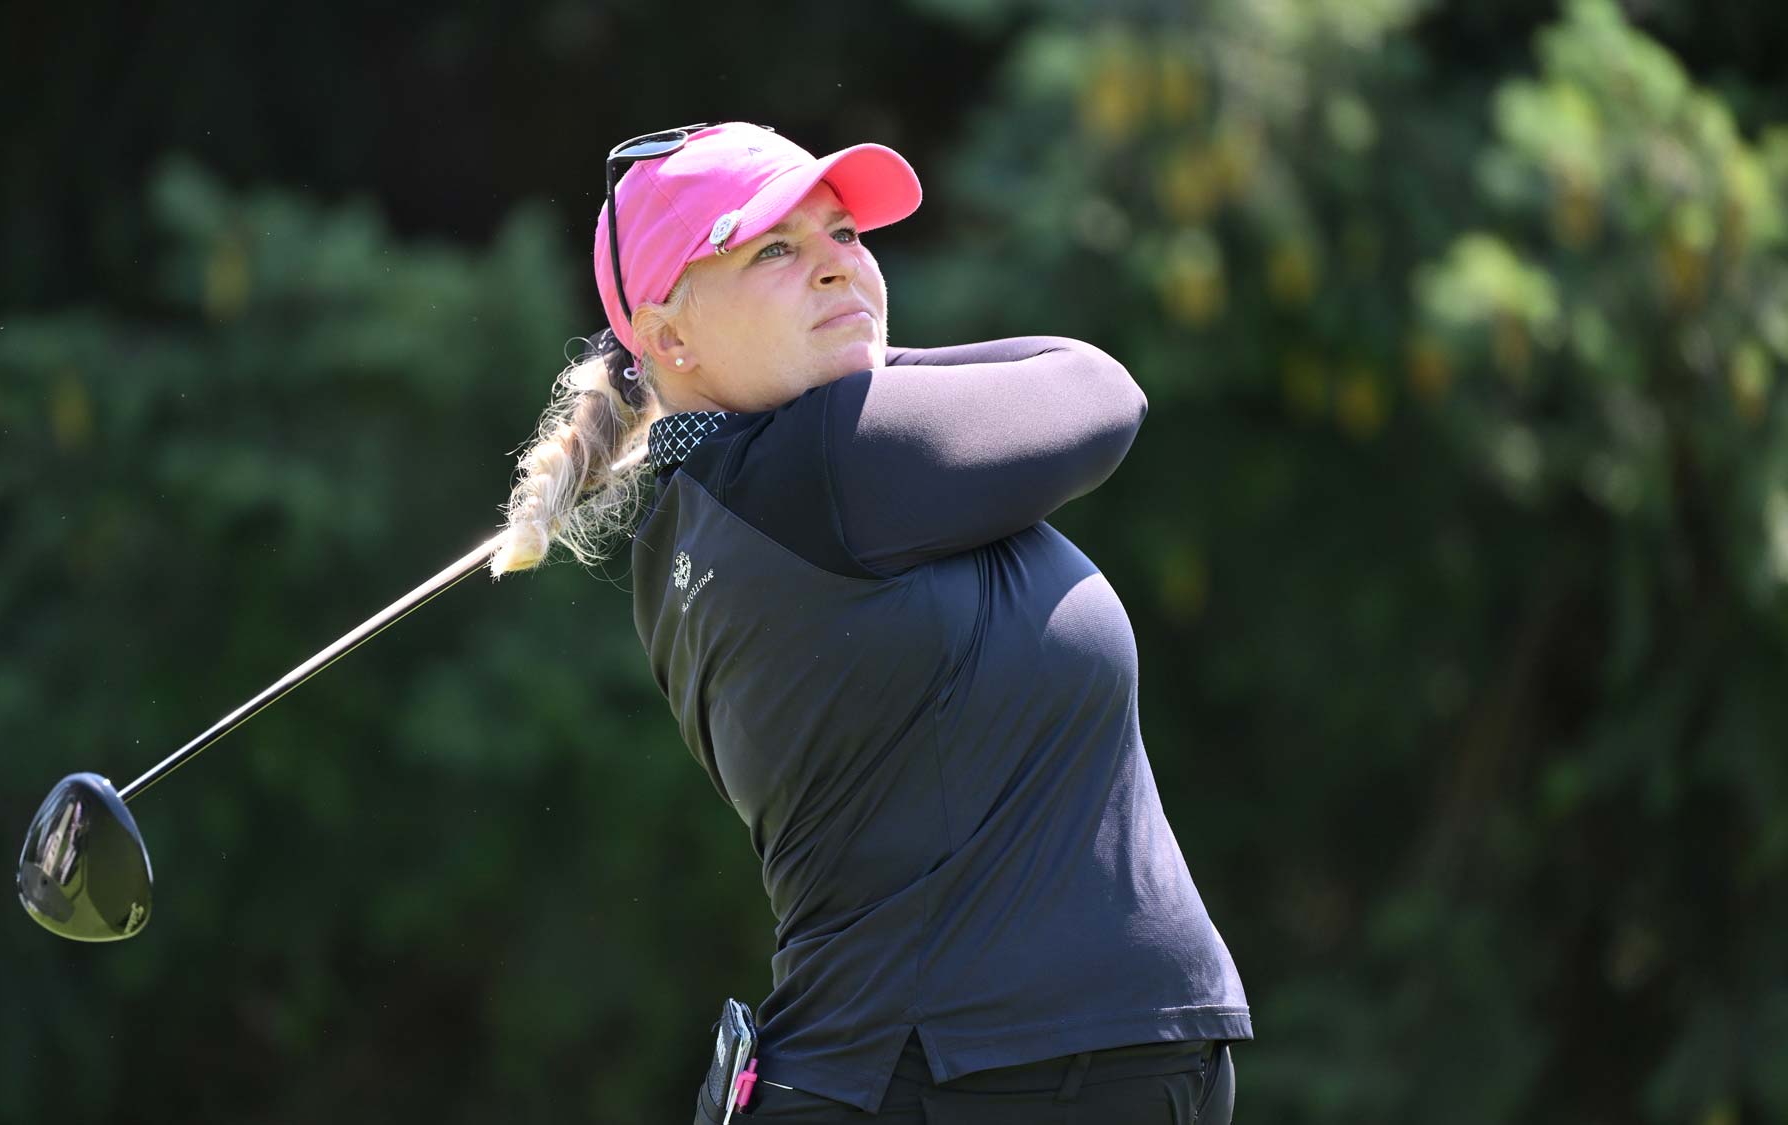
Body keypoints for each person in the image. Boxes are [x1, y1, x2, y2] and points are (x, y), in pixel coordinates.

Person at [489, 122, 1248, 1124]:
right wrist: (862, 354)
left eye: (844, 235)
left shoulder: (696, 519)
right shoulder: (827, 468)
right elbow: (1095, 385)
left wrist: (841, 346)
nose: (836, 269)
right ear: (670, 337)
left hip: (956, 1073)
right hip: (959, 1080)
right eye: (775, 250)